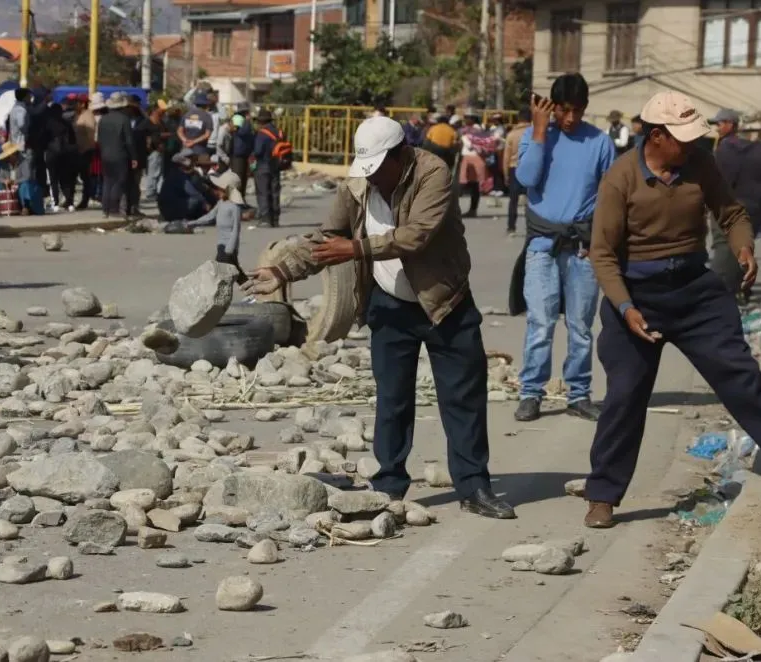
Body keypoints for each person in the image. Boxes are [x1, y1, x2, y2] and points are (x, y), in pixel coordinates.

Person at [242, 116, 515, 519]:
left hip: (444, 301)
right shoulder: (357, 185)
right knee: (392, 399)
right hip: (389, 303)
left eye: (379, 170)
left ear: (400, 154)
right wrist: (282, 271)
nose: (373, 180)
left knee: (462, 399)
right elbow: (325, 240)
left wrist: (353, 249)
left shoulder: (432, 173)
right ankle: (389, 486)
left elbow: (416, 235)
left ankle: (474, 486)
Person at [584, 90, 761, 528]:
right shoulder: (620, 179)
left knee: (742, 378)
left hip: (696, 291)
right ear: (656, 136)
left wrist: (744, 248)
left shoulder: (700, 164)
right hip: (637, 294)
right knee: (625, 397)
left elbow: (732, 215)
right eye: (683, 138)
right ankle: (602, 494)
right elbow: (601, 254)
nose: (692, 145)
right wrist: (625, 309)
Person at [510, 73, 614, 423]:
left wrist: (597, 240)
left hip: (583, 247)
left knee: (581, 326)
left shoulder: (600, 142)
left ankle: (579, 394)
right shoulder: (534, 136)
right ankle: (531, 393)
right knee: (540, 323)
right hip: (541, 246)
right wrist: (540, 131)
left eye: (578, 111)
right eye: (564, 111)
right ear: (551, 107)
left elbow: (610, 196)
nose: (570, 119)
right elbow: (526, 179)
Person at [710, 107, 761, 295]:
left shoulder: (723, 148)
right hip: (753, 207)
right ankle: (731, 290)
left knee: (723, 246)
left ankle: (728, 290)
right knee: (744, 248)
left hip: (721, 204)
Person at [184, 170, 247, 277]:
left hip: (228, 246)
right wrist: (193, 223)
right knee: (235, 272)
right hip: (221, 244)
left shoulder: (235, 207)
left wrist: (230, 248)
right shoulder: (220, 203)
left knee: (221, 271)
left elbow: (236, 229)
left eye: (221, 189)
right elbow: (210, 217)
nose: (217, 191)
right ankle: (250, 288)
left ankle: (247, 288)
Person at [97, 92, 140, 221]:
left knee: (107, 181)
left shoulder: (103, 119)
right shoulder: (124, 119)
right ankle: (113, 208)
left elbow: (99, 138)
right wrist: (134, 157)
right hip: (120, 154)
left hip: (105, 154)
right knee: (119, 181)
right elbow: (129, 140)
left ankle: (105, 209)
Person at [43, 102, 77, 210]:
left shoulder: (47, 124)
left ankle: (55, 203)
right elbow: (73, 140)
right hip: (66, 154)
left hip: (52, 154)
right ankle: (70, 202)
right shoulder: (66, 123)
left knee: (53, 180)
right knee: (66, 179)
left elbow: (43, 140)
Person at [253, 108, 283, 228]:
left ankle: (265, 219)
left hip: (263, 166)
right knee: (275, 192)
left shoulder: (262, 134)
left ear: (261, 121)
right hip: (276, 165)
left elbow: (258, 151)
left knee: (263, 192)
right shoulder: (279, 132)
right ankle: (275, 218)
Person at [503, 108, 531, 236]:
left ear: (518, 119)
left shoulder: (511, 135)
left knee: (513, 200)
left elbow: (506, 157)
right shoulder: (534, 133)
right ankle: (531, 228)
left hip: (514, 168)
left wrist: (506, 174)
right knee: (531, 201)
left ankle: (511, 228)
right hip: (530, 168)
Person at [74, 95, 97, 209]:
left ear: (83, 104)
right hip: (79, 150)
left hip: (85, 150)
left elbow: (90, 134)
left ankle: (86, 199)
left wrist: (87, 148)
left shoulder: (88, 116)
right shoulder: (79, 115)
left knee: (86, 177)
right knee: (82, 176)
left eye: (77, 103)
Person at [144, 99, 169, 200]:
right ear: (155, 109)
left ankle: (154, 191)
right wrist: (165, 135)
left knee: (157, 173)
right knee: (153, 172)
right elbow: (153, 135)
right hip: (154, 151)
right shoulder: (151, 121)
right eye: (161, 110)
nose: (163, 112)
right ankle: (150, 192)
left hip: (158, 150)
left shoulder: (160, 121)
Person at [231, 102, 255, 196]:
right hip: (238, 153)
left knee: (244, 178)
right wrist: (247, 122)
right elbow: (242, 132)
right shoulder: (238, 119)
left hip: (245, 152)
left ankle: (242, 200)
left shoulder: (245, 120)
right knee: (238, 178)